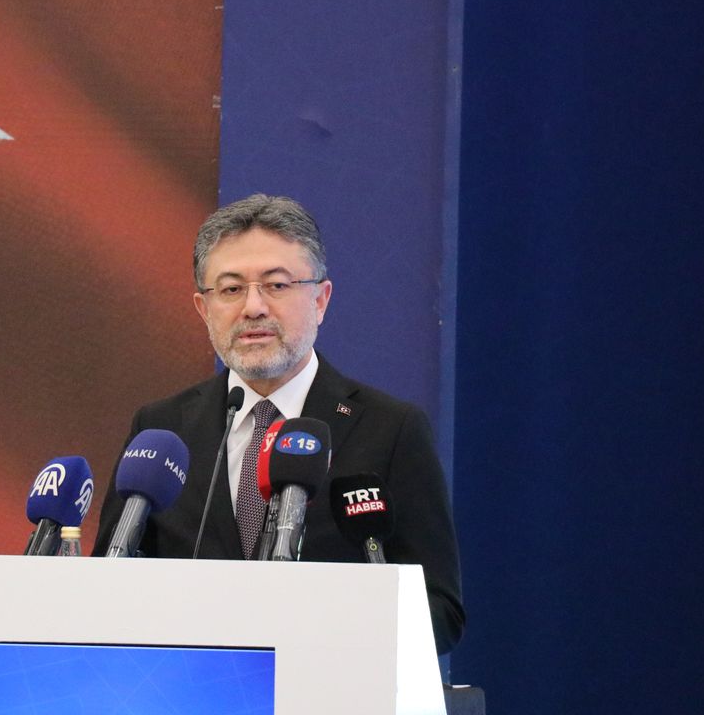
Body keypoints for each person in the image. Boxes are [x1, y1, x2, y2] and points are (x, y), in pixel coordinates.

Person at [92, 194, 464, 653]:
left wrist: (317, 630)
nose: (253, 308)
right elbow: (105, 593)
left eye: (276, 285)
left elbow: (440, 611)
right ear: (203, 309)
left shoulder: (390, 429)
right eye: (231, 289)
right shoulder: (163, 429)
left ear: (321, 299)